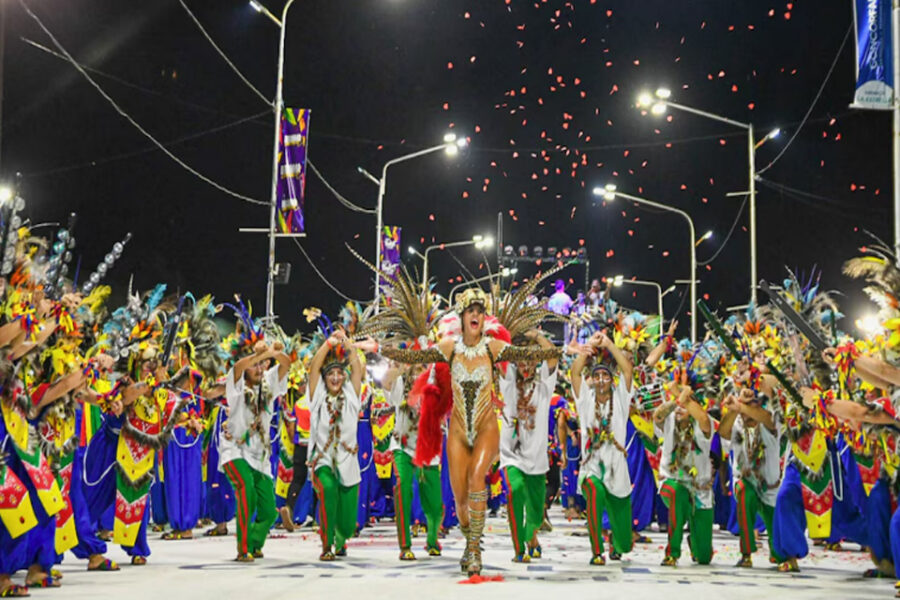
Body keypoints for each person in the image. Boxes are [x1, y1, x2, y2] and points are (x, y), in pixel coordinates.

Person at [374, 288, 561, 576]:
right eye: (470, 311)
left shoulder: (493, 348)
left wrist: (552, 346)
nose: (475, 315)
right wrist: (381, 349)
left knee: (476, 479)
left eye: (480, 311)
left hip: (486, 428)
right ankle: (469, 537)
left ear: (484, 318)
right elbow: (415, 356)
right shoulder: (449, 347)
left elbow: (528, 354)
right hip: (459, 432)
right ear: (462, 317)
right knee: (461, 500)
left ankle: (474, 550)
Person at [219, 338, 291, 562]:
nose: (259, 369)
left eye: (262, 364)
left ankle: (254, 543)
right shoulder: (236, 384)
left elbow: (287, 363)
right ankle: (243, 549)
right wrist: (259, 355)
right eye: (255, 365)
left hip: (260, 456)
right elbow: (238, 367)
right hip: (235, 450)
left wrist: (274, 352)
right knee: (246, 491)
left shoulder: (269, 381)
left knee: (269, 511)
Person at [570, 330, 634, 565]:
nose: (600, 380)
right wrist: (588, 347)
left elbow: (628, 370)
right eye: (596, 376)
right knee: (593, 491)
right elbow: (575, 373)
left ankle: (617, 543)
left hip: (617, 472)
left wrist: (608, 344)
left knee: (625, 543)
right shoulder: (585, 399)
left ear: (611, 380)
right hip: (592, 468)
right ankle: (597, 551)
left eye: (604, 376)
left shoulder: (621, 398)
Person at [498, 330, 559, 562]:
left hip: (537, 460)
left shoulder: (544, 384)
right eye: (521, 361)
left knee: (535, 513)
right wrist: (507, 333)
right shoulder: (508, 380)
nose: (526, 366)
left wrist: (536, 335)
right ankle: (519, 550)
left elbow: (552, 356)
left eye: (531, 361)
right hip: (511, 455)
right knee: (515, 491)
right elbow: (497, 351)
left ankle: (531, 537)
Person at [307, 330, 364, 561]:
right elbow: (313, 368)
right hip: (323, 462)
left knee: (348, 524)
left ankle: (340, 540)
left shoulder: (351, 394)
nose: (336, 378)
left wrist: (347, 344)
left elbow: (357, 368)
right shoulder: (318, 394)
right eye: (331, 373)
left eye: (340, 373)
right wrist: (328, 344)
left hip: (349, 463)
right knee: (328, 491)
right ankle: (326, 545)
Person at [384, 361, 443, 560]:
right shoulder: (401, 382)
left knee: (435, 503)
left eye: (423, 363)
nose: (419, 368)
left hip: (428, 448)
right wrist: (396, 364)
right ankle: (405, 545)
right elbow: (386, 383)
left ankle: (432, 540)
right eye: (415, 363)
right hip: (402, 446)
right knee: (403, 489)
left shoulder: (436, 385)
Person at [717, 387, 782, 568]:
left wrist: (741, 405)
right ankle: (746, 553)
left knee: (777, 542)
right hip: (745, 480)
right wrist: (734, 409)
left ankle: (778, 553)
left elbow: (767, 419)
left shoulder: (769, 422)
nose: (745, 411)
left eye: (750, 405)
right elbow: (723, 432)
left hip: (770, 486)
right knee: (745, 495)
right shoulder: (738, 423)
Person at [653, 382, 714, 566]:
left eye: (686, 405)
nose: (680, 408)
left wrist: (685, 396)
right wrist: (677, 399)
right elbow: (657, 416)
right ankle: (672, 552)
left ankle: (695, 541)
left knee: (704, 558)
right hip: (671, 481)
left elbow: (703, 419)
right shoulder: (670, 418)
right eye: (679, 404)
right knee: (678, 494)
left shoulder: (703, 423)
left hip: (699, 489)